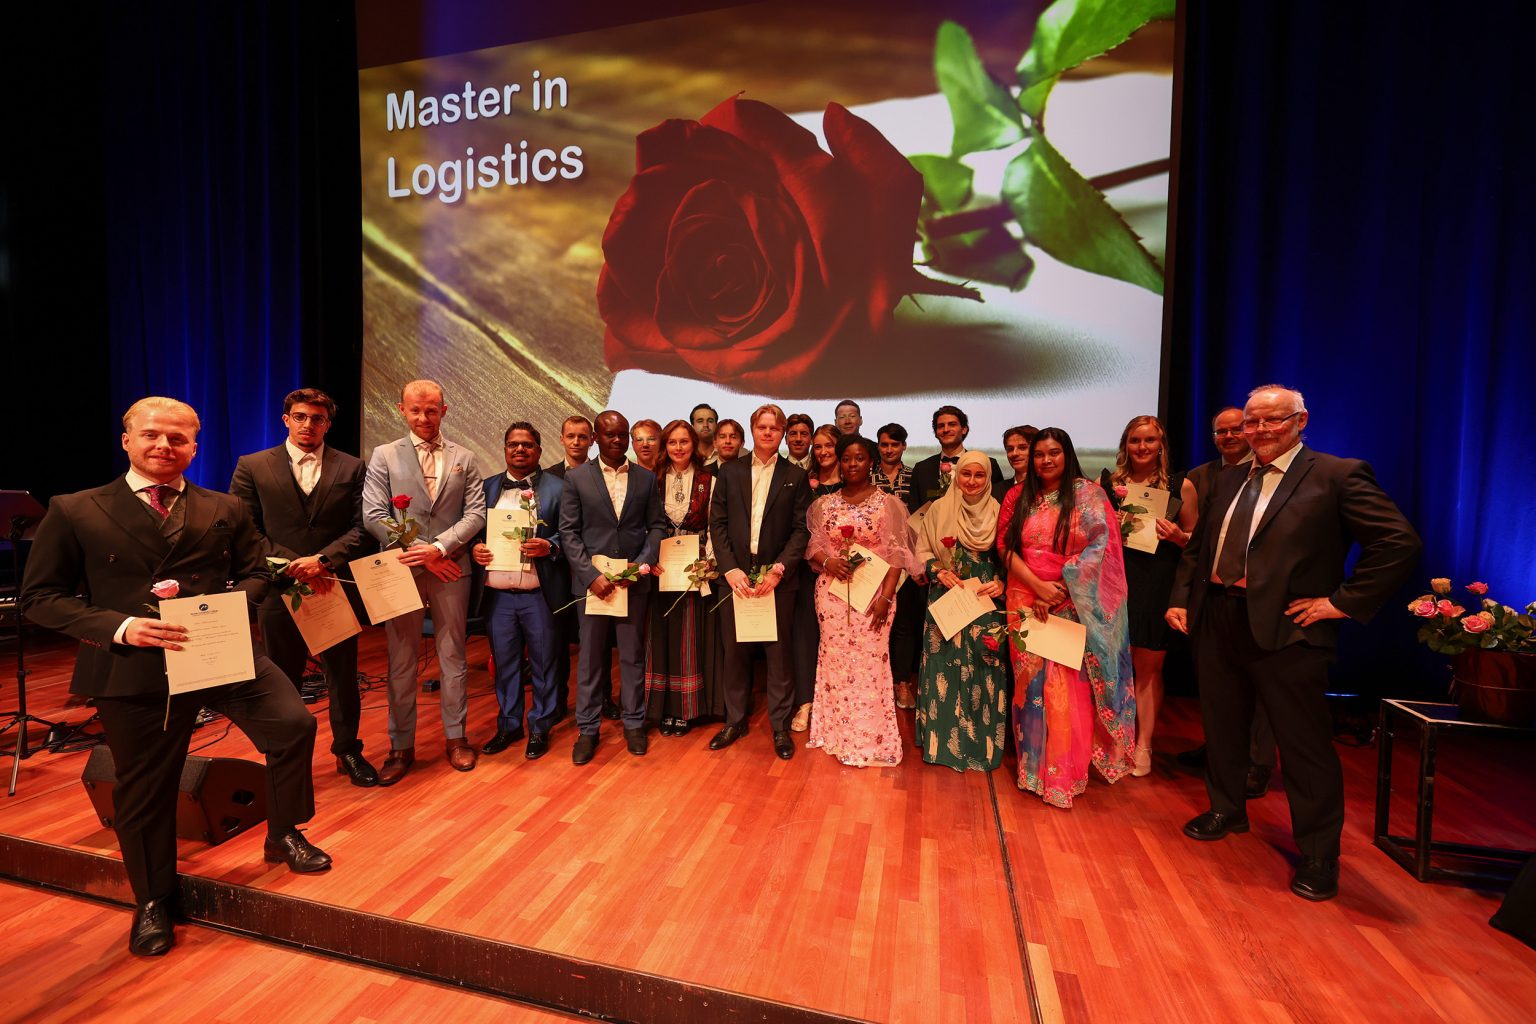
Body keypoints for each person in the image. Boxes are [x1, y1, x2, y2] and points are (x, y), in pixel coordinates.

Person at [22, 397, 329, 958]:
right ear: (127, 440)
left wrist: (230, 607)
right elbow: (40, 598)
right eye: (152, 435)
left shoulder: (225, 507)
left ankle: (283, 831)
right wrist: (120, 627)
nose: (164, 445)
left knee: (293, 725)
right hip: (133, 664)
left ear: (195, 446)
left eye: (178, 438)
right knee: (145, 789)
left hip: (219, 651)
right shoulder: (75, 509)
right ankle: (153, 899)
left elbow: (256, 572)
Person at [1167, 385, 1420, 902]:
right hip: (1217, 616)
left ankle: (1320, 854)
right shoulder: (1229, 477)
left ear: (1301, 421)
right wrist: (1182, 599)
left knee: (1303, 746)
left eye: (1272, 420)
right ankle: (1226, 809)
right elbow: (1201, 548)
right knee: (1222, 726)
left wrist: (1341, 602)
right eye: (1251, 422)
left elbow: (1398, 542)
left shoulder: (1336, 475)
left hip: (1289, 628)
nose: (1258, 430)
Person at [229, 388, 377, 787]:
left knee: (342, 676)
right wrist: (293, 564)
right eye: (300, 417)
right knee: (281, 679)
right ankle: (286, 759)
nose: (308, 424)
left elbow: (363, 528)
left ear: (328, 424)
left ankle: (347, 750)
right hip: (280, 587)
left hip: (331, 584)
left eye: (317, 419)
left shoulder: (353, 467)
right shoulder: (252, 466)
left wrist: (322, 561)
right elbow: (244, 529)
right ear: (286, 420)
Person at [997, 427, 1136, 808]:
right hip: (1024, 598)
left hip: (1070, 600)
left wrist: (1059, 588)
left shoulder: (1088, 495)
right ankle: (1032, 769)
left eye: (1053, 453)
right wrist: (1037, 586)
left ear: (1067, 454)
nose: (1045, 460)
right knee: (1029, 688)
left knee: (1064, 689)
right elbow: (1005, 547)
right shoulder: (1018, 496)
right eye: (1039, 454)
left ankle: (1062, 775)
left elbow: (1101, 546)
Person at [363, 380, 487, 784]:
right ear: (402, 409)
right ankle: (400, 745)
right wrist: (422, 552)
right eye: (415, 410)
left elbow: (476, 514)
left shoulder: (465, 458)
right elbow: (374, 514)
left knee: (453, 656)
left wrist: (439, 548)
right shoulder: (383, 455)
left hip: (451, 568)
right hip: (402, 568)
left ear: (444, 411)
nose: (423, 417)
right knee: (400, 660)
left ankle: (456, 737)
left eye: (431, 410)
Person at [558, 410, 667, 764]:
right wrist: (590, 575)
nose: (617, 440)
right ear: (595, 438)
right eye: (610, 434)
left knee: (632, 657)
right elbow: (569, 532)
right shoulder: (576, 478)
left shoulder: (645, 479)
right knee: (590, 660)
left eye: (622, 434)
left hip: (633, 584)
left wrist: (642, 564)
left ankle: (634, 723)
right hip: (593, 586)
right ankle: (588, 729)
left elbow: (656, 526)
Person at [804, 433, 918, 767]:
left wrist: (887, 597)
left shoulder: (888, 504)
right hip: (832, 596)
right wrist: (828, 561)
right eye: (846, 458)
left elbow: (897, 555)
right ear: (839, 462)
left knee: (870, 663)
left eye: (860, 458)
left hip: (875, 596)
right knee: (834, 661)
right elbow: (814, 546)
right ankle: (835, 734)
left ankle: (870, 739)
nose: (852, 464)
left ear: (872, 462)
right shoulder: (824, 504)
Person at [706, 403, 812, 760]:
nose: (768, 433)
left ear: (782, 433)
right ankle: (735, 721)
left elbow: (801, 530)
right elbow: (717, 524)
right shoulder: (729, 472)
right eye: (762, 427)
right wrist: (730, 569)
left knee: (778, 655)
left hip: (775, 579)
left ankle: (780, 727)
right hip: (735, 577)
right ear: (752, 430)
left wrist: (779, 568)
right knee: (735, 653)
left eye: (774, 428)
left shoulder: (795, 476)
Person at [1178, 405, 1273, 792]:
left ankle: (1258, 763)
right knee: (1218, 685)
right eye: (1222, 432)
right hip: (1214, 596)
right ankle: (1220, 751)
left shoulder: (1278, 477)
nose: (1230, 437)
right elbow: (1198, 545)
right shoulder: (1203, 476)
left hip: (1262, 599)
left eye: (1237, 429)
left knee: (1260, 688)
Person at [1102, 415, 1198, 777]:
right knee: (1114, 667)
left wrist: (1177, 536)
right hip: (1115, 582)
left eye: (1149, 440)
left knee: (1148, 669)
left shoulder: (1181, 486)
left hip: (1157, 583)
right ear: (1125, 445)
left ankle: (1144, 744)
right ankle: (1117, 740)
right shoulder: (1108, 485)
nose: (1142, 447)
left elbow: (1195, 542)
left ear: (1161, 445)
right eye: (1135, 440)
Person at [470, 421, 568, 761]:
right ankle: (509, 724)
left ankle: (540, 726)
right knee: (505, 663)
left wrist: (550, 545)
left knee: (544, 663)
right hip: (498, 595)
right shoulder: (486, 488)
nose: (520, 449)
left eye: (527, 444)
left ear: (539, 451)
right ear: (505, 449)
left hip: (539, 593)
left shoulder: (559, 488)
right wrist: (475, 548)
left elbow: (571, 533)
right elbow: (472, 530)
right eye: (513, 444)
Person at [914, 450, 1008, 771]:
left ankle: (978, 746)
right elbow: (922, 551)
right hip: (947, 596)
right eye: (966, 474)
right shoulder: (940, 509)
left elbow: (1010, 557)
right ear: (957, 475)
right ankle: (941, 745)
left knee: (983, 664)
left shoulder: (999, 513)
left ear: (988, 478)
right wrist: (937, 570)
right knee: (943, 665)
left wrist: (1002, 582)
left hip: (985, 601)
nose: (971, 481)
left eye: (979, 475)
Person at [646, 419, 714, 736]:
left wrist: (707, 561)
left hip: (693, 567)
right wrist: (649, 560)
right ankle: (659, 708)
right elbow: (643, 524)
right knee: (659, 635)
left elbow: (714, 526)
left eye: (684, 441)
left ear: (693, 444)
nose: (678, 448)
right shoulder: (652, 479)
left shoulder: (708, 480)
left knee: (687, 637)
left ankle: (684, 709)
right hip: (660, 567)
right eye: (672, 442)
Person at [545, 413, 597, 716]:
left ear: (592, 440)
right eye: (571, 436)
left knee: (595, 639)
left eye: (582, 436)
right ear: (561, 438)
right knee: (558, 638)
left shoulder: (600, 473)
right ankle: (558, 701)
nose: (576, 442)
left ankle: (602, 698)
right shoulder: (547, 477)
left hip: (592, 569)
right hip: (557, 569)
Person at [873, 422, 919, 709]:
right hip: (873, 563)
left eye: (895, 444)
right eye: (884, 444)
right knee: (874, 622)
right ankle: (875, 683)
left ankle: (902, 683)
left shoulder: (915, 476)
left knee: (904, 624)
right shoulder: (867, 476)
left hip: (907, 562)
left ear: (904, 446)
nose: (889, 449)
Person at [908, 405, 1003, 512]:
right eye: (941, 426)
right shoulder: (921, 468)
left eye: (952, 424)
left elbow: (998, 506)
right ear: (936, 433)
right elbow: (915, 511)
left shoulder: (988, 464)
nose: (946, 429)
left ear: (964, 429)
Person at [994, 424, 1038, 503]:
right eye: (1010, 449)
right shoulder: (996, 491)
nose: (1014, 453)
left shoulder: (1049, 488)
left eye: (1022, 448)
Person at [809, 424, 843, 495]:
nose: (823, 452)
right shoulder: (805, 483)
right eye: (818, 447)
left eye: (829, 446)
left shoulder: (851, 483)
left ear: (840, 447)